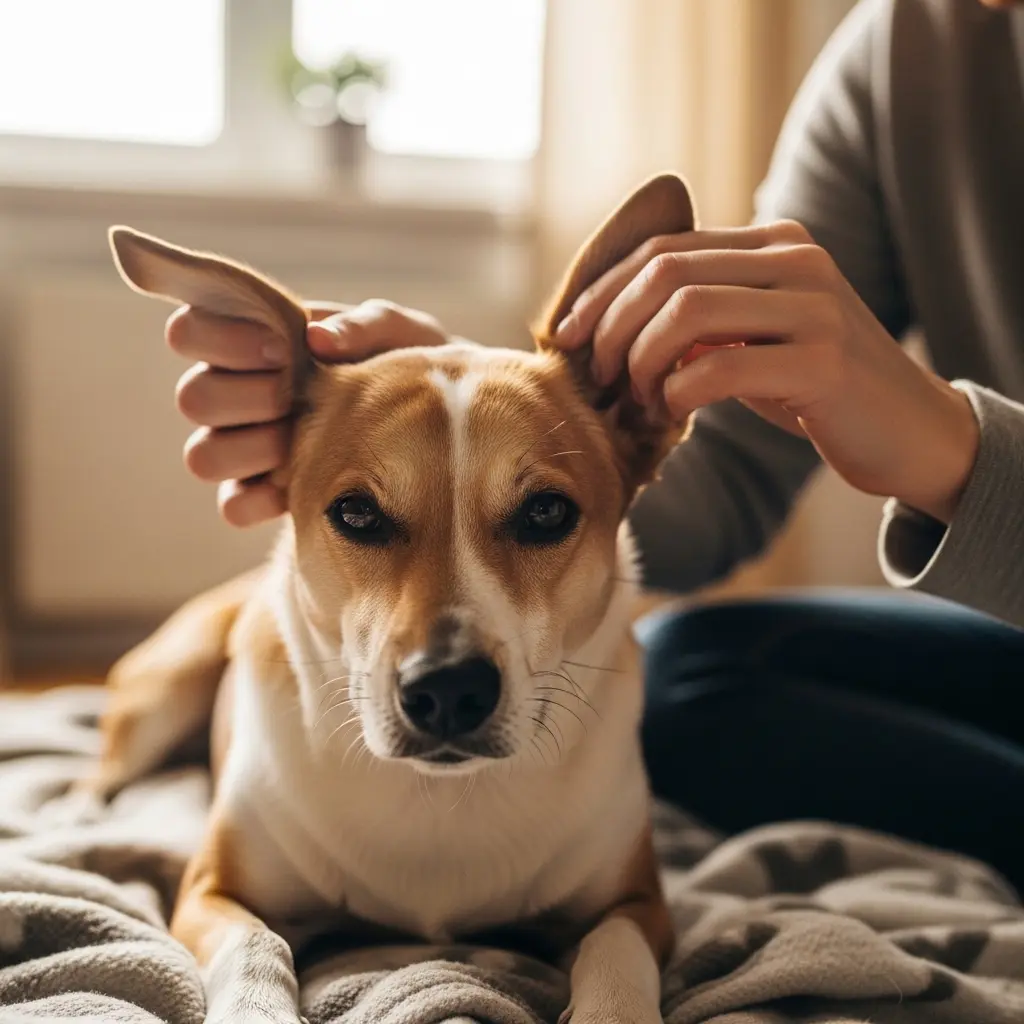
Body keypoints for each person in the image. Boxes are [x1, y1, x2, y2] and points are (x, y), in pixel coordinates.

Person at [162, 0, 1024, 890]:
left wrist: (955, 454)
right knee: (686, 676)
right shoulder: (907, 50)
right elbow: (713, 485)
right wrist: (481, 415)